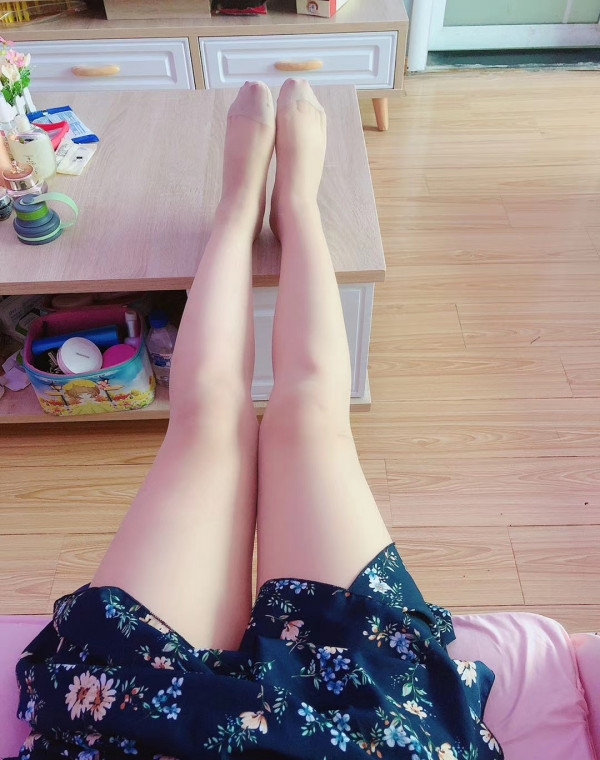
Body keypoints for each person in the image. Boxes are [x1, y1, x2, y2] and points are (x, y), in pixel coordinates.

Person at [10, 80, 503, 760]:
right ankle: (292, 207)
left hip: (141, 729)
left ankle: (240, 209)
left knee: (210, 421)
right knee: (310, 417)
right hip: (365, 733)